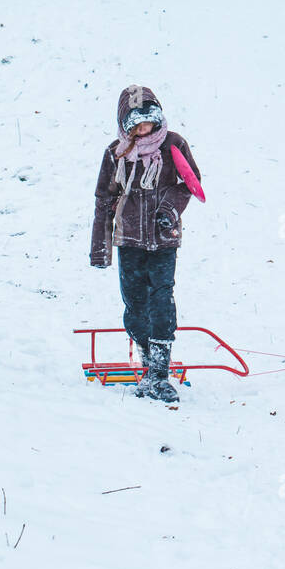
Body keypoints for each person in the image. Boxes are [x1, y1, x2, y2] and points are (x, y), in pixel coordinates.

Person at [90, 85, 202, 403]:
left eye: (149, 122)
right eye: (136, 124)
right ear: (125, 123)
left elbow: (190, 182)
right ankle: (147, 362)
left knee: (161, 303)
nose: (144, 130)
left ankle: (158, 375)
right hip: (129, 241)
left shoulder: (173, 144)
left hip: (164, 241)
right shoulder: (116, 153)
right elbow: (104, 200)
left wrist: (169, 210)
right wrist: (100, 247)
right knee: (135, 306)